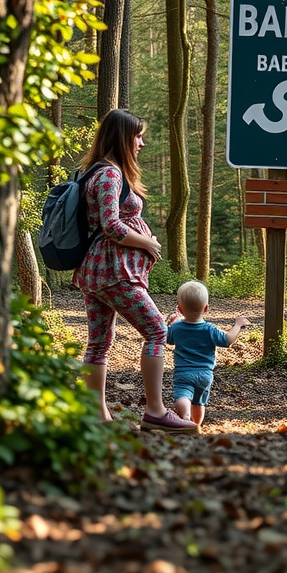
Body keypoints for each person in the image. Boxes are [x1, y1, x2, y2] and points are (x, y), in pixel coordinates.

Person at [73, 108, 197, 433]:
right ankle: (155, 411)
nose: (141, 143)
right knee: (157, 330)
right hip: (113, 271)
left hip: (96, 271)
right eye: (137, 136)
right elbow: (111, 225)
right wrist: (148, 244)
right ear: (123, 137)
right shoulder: (110, 175)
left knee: (99, 341)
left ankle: (95, 416)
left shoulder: (97, 172)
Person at [166, 280, 250, 427]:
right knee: (199, 403)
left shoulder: (176, 327)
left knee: (183, 396)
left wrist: (169, 324)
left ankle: (185, 417)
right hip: (205, 375)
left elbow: (168, 339)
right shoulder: (210, 329)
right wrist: (237, 325)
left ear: (179, 309)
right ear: (206, 308)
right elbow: (227, 340)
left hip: (183, 373)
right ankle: (196, 426)